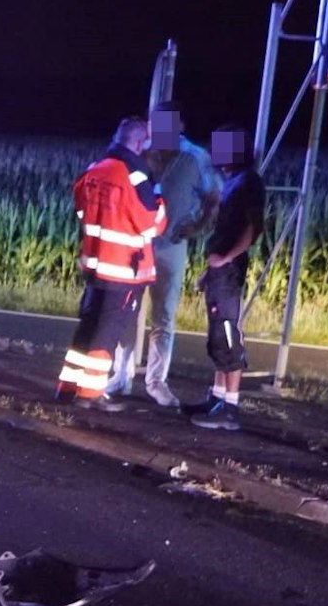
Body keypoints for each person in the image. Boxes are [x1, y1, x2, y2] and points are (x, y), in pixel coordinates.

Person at [109, 102, 221, 407]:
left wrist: (196, 227)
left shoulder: (195, 158)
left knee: (164, 316)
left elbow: (214, 197)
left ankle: (156, 382)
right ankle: (122, 375)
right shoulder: (140, 151)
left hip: (171, 245)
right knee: (127, 310)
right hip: (135, 244)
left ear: (180, 126)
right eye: (156, 125)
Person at [56, 115, 164, 411]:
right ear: (139, 142)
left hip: (95, 265)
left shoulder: (93, 171)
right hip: (124, 270)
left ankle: (67, 387)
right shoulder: (136, 176)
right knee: (108, 332)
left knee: (88, 326)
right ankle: (90, 394)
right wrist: (161, 204)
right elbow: (152, 225)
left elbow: (80, 213)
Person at [187, 125, 265, 432]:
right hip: (220, 271)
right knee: (217, 336)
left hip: (230, 273)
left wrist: (227, 259)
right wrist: (210, 270)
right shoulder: (234, 181)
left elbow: (253, 228)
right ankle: (216, 398)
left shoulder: (249, 182)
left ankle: (229, 408)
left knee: (228, 335)